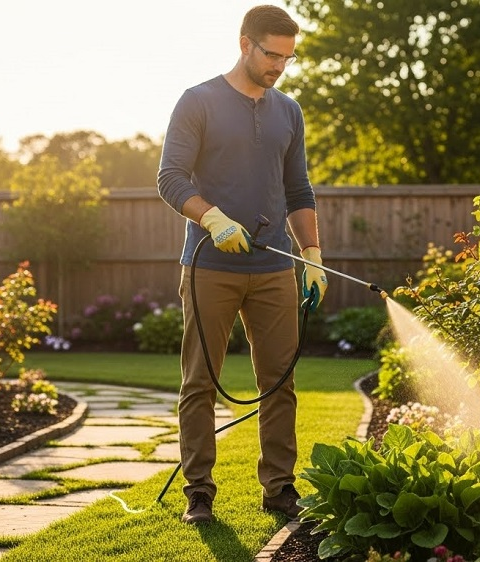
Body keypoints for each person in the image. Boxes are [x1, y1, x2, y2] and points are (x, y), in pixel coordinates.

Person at [156, 4, 327, 525]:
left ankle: (280, 490)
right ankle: (199, 494)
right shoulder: (198, 101)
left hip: (274, 270)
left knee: (280, 383)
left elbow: (298, 189)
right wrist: (212, 218)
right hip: (210, 265)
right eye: (271, 54)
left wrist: (312, 254)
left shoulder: (288, 111)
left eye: (288, 58)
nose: (279, 66)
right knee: (199, 383)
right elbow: (170, 178)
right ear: (244, 43)